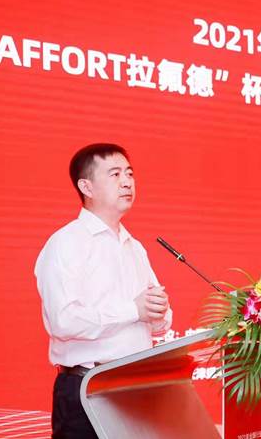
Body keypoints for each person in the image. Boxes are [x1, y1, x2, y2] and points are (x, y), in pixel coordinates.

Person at [35, 143, 171, 439]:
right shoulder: (66, 243)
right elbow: (63, 321)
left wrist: (158, 311)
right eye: (115, 174)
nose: (127, 182)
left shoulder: (134, 247)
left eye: (130, 173)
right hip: (87, 390)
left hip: (136, 390)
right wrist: (133, 310)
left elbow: (155, 319)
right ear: (86, 186)